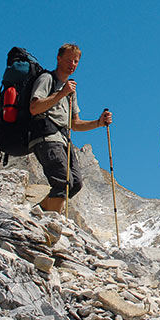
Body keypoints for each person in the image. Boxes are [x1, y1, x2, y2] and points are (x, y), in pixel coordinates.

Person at [29, 43, 113, 213]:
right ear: (58, 59)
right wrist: (62, 93)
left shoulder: (71, 90)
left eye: (75, 61)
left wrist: (99, 122)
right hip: (46, 136)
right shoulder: (47, 79)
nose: (72, 64)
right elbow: (34, 107)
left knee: (75, 184)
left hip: (63, 139)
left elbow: (74, 124)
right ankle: (51, 224)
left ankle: (39, 213)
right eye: (68, 60)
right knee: (63, 180)